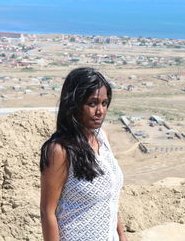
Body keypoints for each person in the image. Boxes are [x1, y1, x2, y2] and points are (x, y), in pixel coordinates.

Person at [40, 67, 128, 241]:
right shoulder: (60, 150)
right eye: (92, 103)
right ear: (74, 104)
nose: (100, 111)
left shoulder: (103, 138)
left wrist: (121, 234)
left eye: (104, 103)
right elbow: (47, 212)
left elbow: (110, 200)